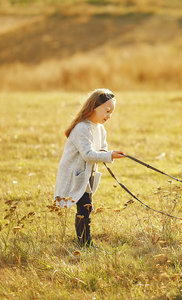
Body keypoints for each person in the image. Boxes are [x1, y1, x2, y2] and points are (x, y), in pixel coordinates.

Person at [54, 88, 125, 247]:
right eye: (107, 110)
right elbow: (88, 154)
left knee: (87, 206)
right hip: (76, 174)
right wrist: (110, 155)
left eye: (111, 112)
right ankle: (85, 243)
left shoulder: (99, 128)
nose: (109, 115)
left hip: (87, 173)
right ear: (94, 106)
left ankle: (85, 241)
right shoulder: (82, 128)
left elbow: (101, 150)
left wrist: (110, 154)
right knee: (85, 207)